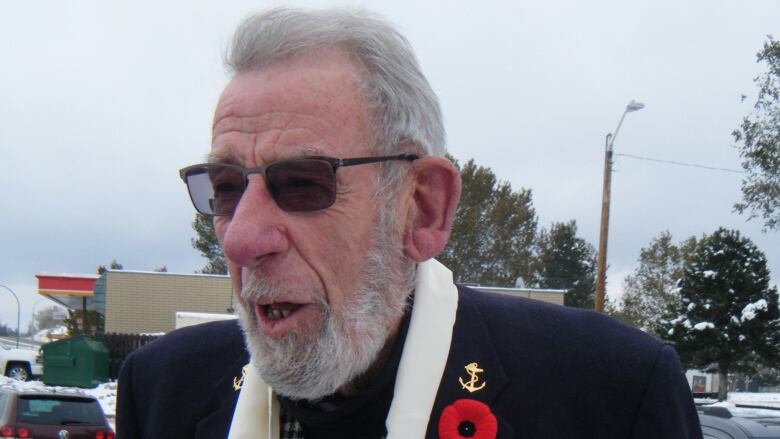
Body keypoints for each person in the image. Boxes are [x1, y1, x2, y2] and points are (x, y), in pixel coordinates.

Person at [117, 7, 702, 439]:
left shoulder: (610, 393)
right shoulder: (164, 389)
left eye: (301, 183)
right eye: (224, 189)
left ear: (422, 207)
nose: (242, 238)